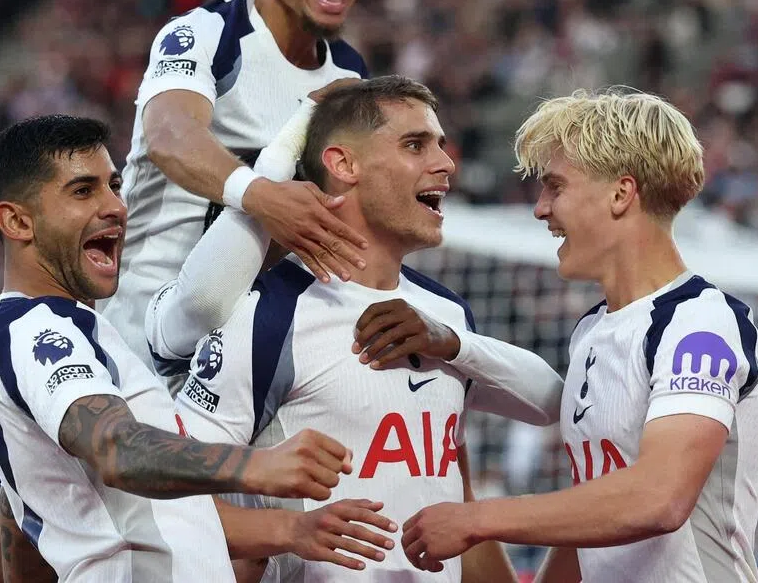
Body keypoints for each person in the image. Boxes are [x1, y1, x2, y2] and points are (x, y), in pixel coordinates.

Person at [167, 77, 565, 581]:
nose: (445, 163)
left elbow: (551, 404)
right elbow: (169, 495)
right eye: (415, 145)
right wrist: (287, 532)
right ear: (343, 164)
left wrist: (455, 344)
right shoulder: (268, 314)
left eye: (440, 145)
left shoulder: (447, 313)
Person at [0, 114, 397, 581]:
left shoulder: (75, 332)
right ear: (17, 221)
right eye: (82, 191)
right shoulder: (35, 327)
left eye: (114, 186)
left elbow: (122, 513)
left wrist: (291, 529)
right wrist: (256, 466)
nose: (115, 206)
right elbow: (119, 450)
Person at [399, 89, 758, 583]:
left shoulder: (701, 322)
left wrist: (477, 519)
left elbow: (658, 498)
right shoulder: (592, 331)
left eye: (555, 187)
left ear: (621, 193)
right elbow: (595, 521)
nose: (540, 209)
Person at [100, 0, 386, 379]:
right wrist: (262, 197)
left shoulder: (351, 74)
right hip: (140, 340)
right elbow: (169, 134)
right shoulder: (208, 33)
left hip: (248, 351)